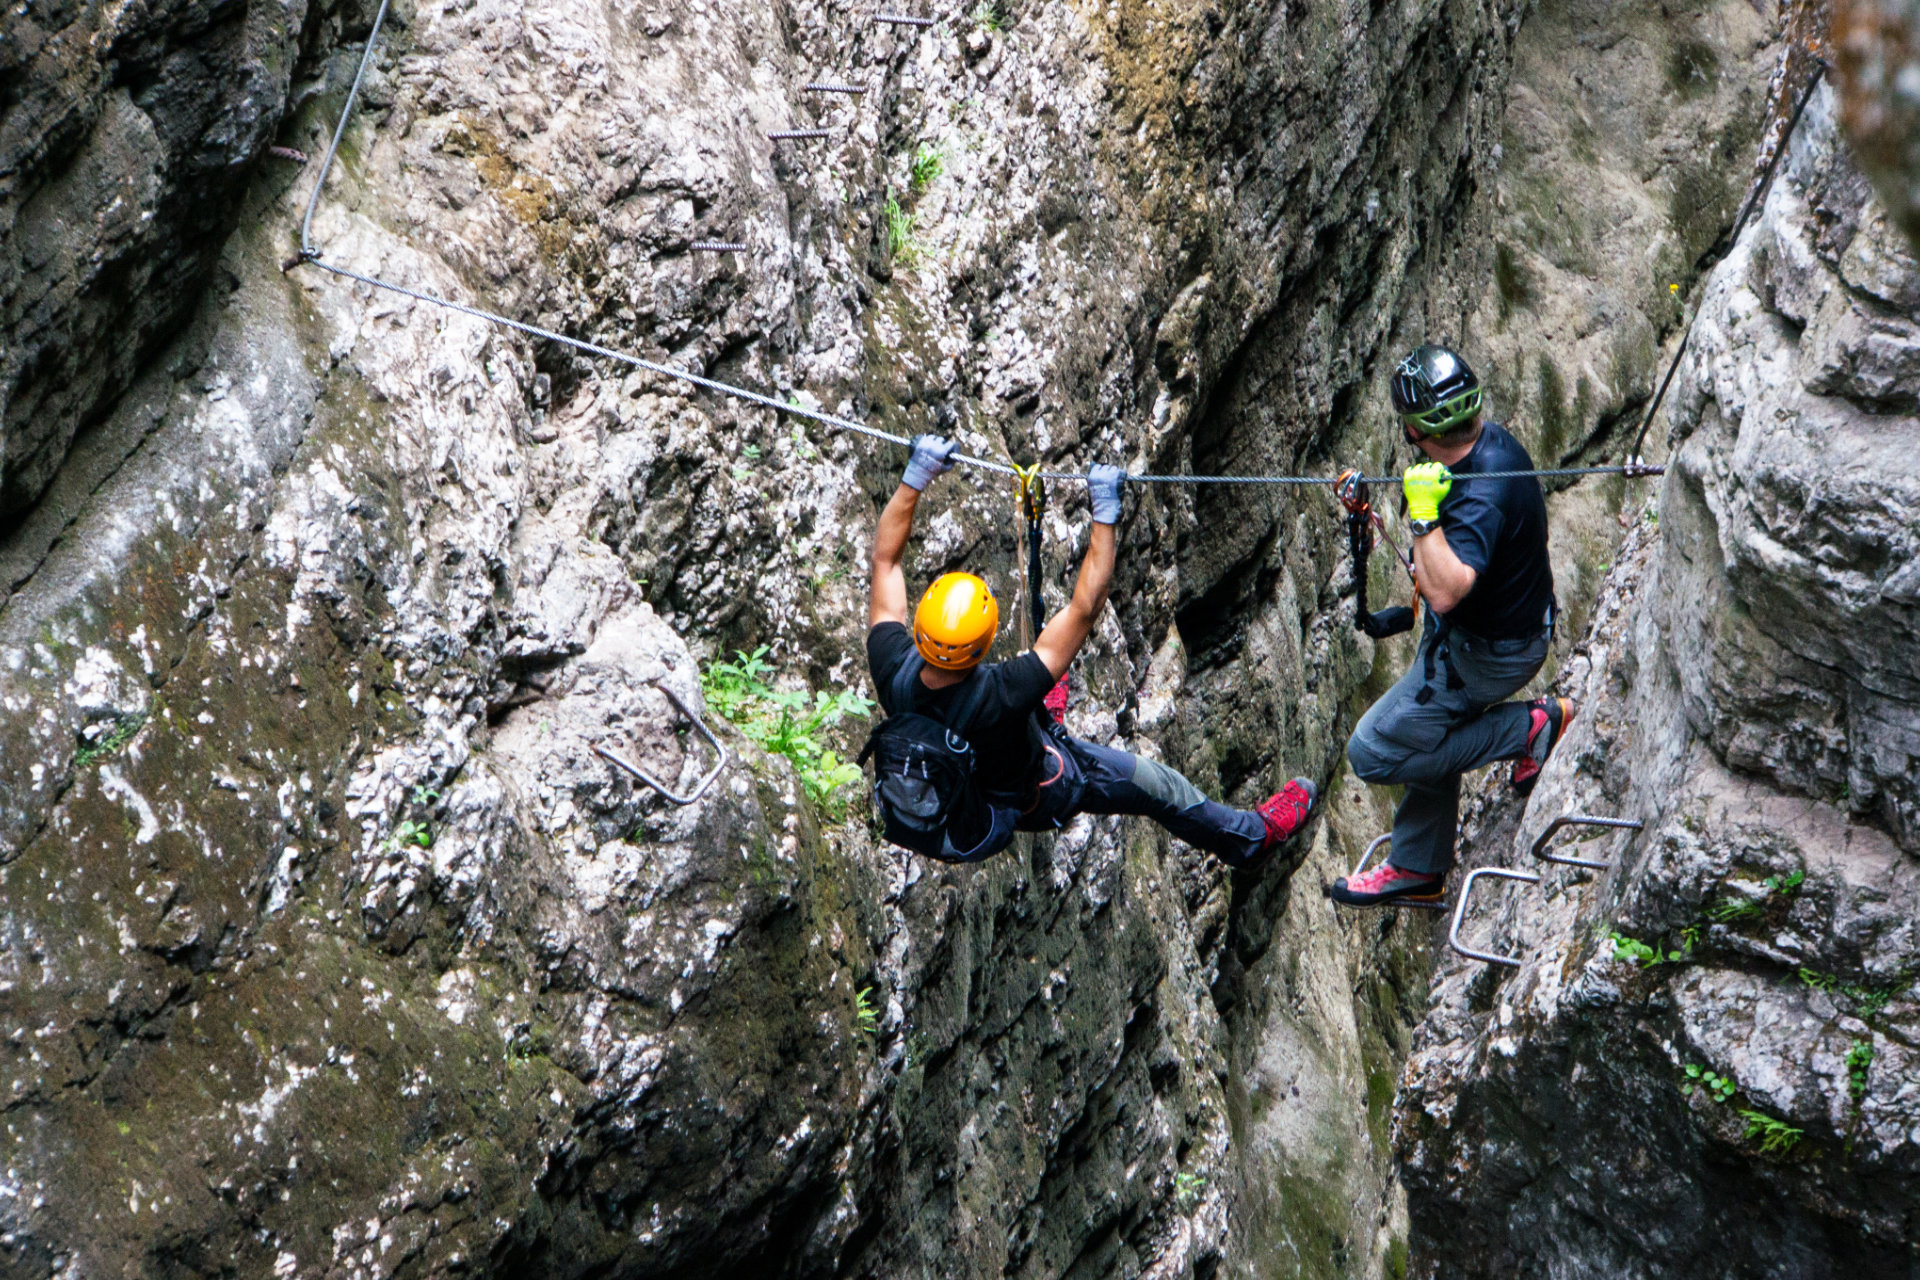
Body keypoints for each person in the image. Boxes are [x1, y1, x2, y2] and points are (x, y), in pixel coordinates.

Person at [866, 435, 1317, 869]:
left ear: (919, 626)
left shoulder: (893, 667)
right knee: (1160, 787)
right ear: (985, 643)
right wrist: (1105, 512)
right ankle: (1250, 839)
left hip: (966, 788)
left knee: (1040, 678)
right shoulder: (1005, 693)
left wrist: (914, 477)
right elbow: (1085, 609)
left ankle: (1046, 721)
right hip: (1045, 789)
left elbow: (885, 561)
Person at [1330, 344, 1574, 907]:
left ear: (1415, 432)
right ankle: (1419, 867)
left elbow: (1443, 590)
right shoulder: (1485, 450)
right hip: (1491, 633)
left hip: (1487, 653)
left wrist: (1422, 516)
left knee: (1371, 751)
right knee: (1417, 724)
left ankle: (1529, 730)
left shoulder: (1482, 491)